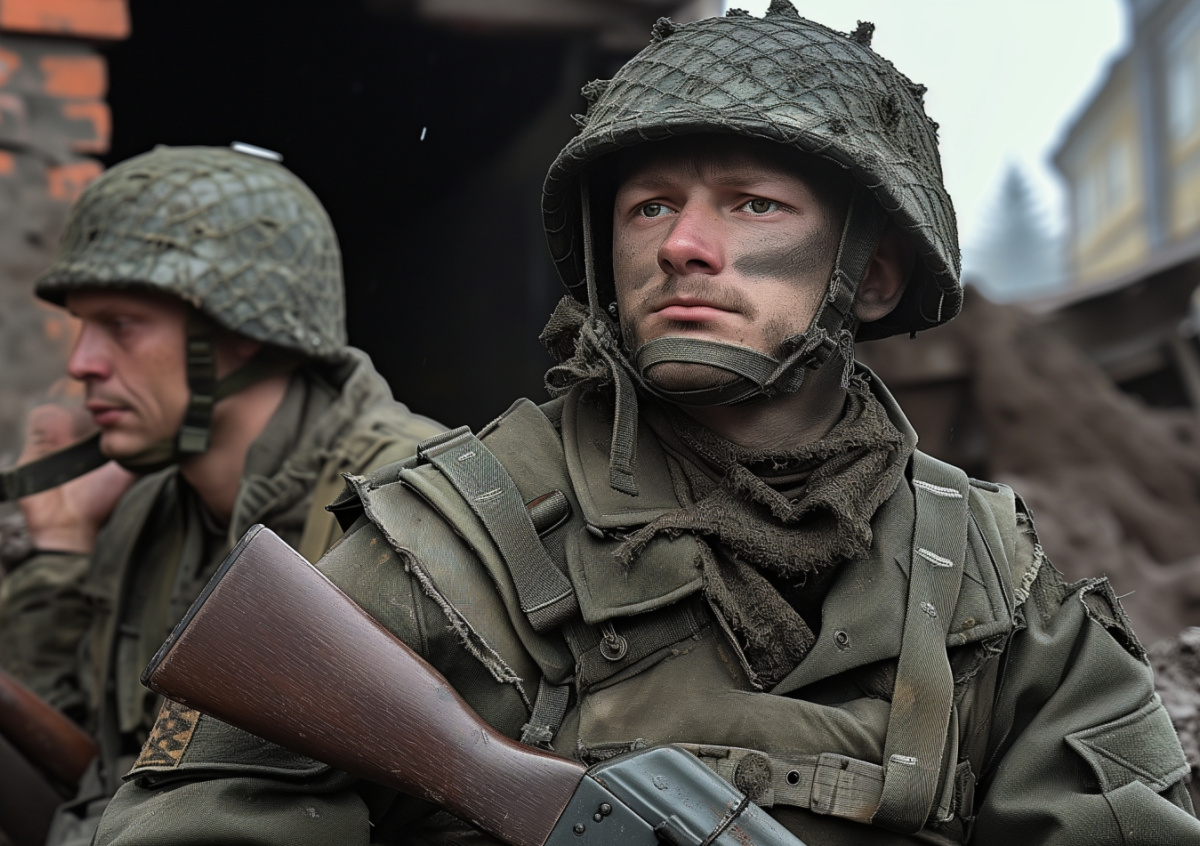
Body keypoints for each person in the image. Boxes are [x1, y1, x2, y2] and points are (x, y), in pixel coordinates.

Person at [95, 7, 1199, 845]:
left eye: (753, 203)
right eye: (651, 205)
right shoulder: (457, 540)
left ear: (871, 278)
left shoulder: (990, 580)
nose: (681, 245)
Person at [0, 144, 444, 846]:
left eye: (120, 325)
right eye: (83, 326)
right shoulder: (145, 516)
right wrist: (58, 547)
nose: (81, 363)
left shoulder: (402, 502)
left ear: (243, 330)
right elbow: (93, 775)